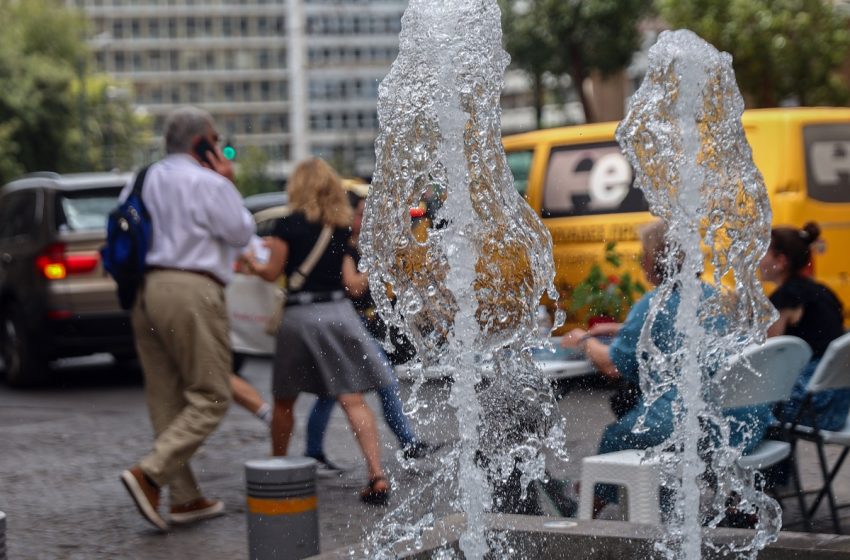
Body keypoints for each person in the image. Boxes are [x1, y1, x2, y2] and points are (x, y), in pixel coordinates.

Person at [562, 219, 775, 516]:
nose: (640, 261)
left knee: (617, 435)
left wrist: (582, 341)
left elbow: (611, 365)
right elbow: (681, 333)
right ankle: (647, 506)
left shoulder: (655, 302)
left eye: (643, 254)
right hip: (742, 424)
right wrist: (625, 327)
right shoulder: (714, 296)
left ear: (655, 259)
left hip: (694, 430)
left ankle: (583, 514)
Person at [119, 106, 255, 531]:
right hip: (191, 289)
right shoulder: (208, 182)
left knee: (166, 398)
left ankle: (184, 498)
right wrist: (228, 180)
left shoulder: (140, 179)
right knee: (212, 395)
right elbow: (240, 232)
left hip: (146, 291)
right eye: (216, 140)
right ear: (202, 142)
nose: (220, 147)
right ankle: (151, 472)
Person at [244, 158, 392, 505]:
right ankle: (377, 474)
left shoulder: (287, 225)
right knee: (352, 398)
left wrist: (251, 264)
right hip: (338, 312)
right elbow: (347, 280)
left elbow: (272, 273)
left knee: (284, 399)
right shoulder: (339, 227)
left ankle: (279, 469)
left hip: (300, 314)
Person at [304, 191, 434, 474]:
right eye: (361, 213)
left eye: (367, 213)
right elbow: (353, 286)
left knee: (331, 391)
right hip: (345, 327)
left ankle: (312, 452)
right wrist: (376, 268)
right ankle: (408, 442)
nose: (366, 219)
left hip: (360, 328)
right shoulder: (341, 247)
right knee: (384, 380)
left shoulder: (365, 247)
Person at [760, 222, 850, 430]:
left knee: (747, 404)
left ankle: (775, 461)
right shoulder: (824, 291)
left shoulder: (785, 298)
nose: (757, 259)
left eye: (764, 251)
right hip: (839, 406)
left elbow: (767, 354)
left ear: (781, 261)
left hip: (812, 407)